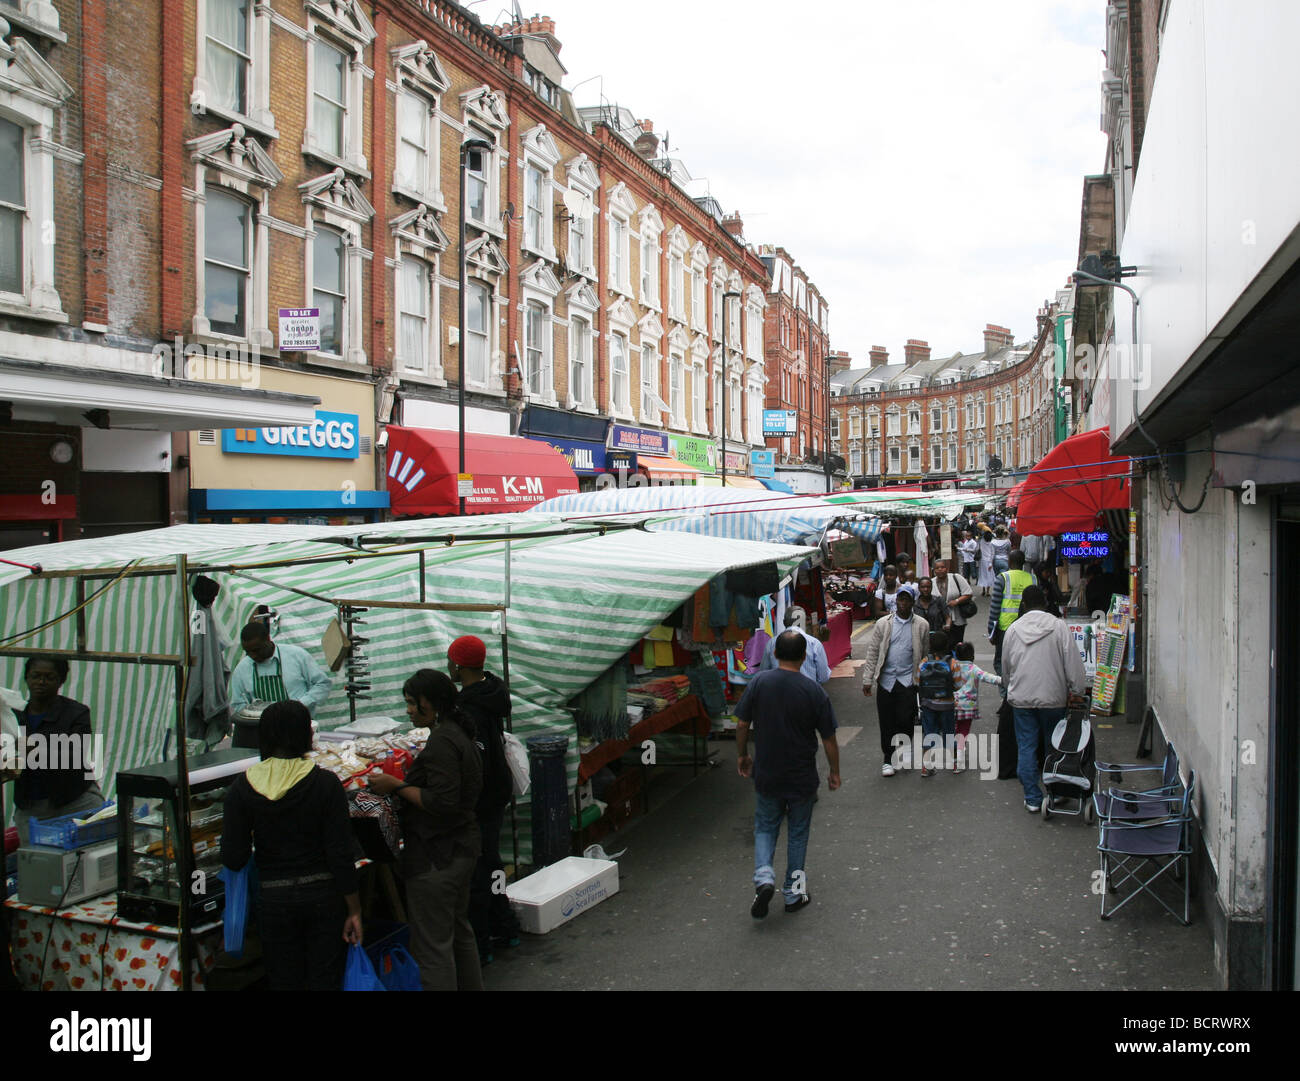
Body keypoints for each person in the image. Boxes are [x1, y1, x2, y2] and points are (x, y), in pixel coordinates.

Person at [220, 700, 362, 991]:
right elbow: (340, 854)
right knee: (324, 980)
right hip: (324, 897)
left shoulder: (242, 787)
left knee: (284, 981)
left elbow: (233, 857)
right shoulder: (326, 783)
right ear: (305, 736)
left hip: (273, 901)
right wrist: (355, 910)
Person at [368, 669, 482, 991]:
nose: (408, 711)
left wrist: (396, 784)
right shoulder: (454, 732)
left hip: (438, 854)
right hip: (459, 850)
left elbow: (443, 801)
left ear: (429, 702)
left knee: (433, 946)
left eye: (411, 703)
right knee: (458, 932)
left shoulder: (444, 740)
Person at [735, 630, 840, 917]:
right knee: (797, 832)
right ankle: (793, 894)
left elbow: (742, 723)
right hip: (801, 775)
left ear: (775, 654)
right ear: (805, 656)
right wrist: (834, 772)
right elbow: (829, 738)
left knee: (766, 825)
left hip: (767, 771)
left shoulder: (759, 683)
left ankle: (764, 876)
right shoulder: (814, 691)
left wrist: (743, 754)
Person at [447, 635, 522, 966]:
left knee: (480, 868)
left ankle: (481, 943)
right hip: (497, 789)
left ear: (460, 666)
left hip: (484, 795)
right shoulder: (493, 690)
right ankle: (504, 927)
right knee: (490, 861)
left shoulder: (469, 708)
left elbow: (475, 761)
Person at [1001, 585, 1088, 813]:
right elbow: (1072, 662)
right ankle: (1056, 791)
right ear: (1046, 601)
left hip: (1021, 698)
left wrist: (1008, 686)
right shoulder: (1059, 627)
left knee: (1026, 746)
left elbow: (1006, 666)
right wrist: (1078, 691)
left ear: (1024, 604)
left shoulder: (1013, 629)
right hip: (1053, 698)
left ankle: (1032, 797)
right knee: (1054, 747)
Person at [6, 656, 104, 844]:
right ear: (26, 678)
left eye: (49, 677)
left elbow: (74, 757)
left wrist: (35, 749)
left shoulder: (77, 713)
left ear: (61, 681)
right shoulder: (14, 715)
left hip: (75, 800)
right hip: (31, 807)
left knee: (91, 854)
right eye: (36, 676)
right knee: (38, 861)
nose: (41, 682)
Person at [861, 588, 930, 776]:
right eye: (900, 599)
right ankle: (888, 759)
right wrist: (867, 679)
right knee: (887, 721)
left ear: (912, 602)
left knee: (906, 719)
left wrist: (922, 681)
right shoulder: (883, 624)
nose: (903, 603)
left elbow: (925, 654)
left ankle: (905, 751)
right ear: (896, 602)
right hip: (886, 680)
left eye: (907, 599)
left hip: (908, 680)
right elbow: (873, 652)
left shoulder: (922, 625)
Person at [229, 622, 333, 718]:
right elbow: (237, 704)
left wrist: (300, 705)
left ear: (268, 639)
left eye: (256, 650)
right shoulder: (241, 669)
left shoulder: (296, 655)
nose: (253, 655)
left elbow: (322, 684)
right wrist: (250, 713)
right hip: (262, 729)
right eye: (248, 652)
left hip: (298, 724)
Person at [952, 641, 1001, 771]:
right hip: (968, 706)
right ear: (972, 656)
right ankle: (959, 760)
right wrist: (1003, 680)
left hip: (952, 705)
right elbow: (987, 677)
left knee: (954, 729)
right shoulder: (973, 669)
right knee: (963, 731)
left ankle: (955, 752)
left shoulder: (952, 667)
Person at [917, 631, 960, 777]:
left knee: (929, 734)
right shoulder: (952, 663)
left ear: (930, 646)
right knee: (949, 733)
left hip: (928, 704)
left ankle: (926, 767)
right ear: (947, 645)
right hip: (947, 705)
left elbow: (917, 681)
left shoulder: (924, 662)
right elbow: (959, 684)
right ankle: (955, 764)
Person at [987, 549, 1034, 677]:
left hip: (1005, 627)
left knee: (1001, 660)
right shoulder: (1033, 579)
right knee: (1023, 659)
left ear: (1009, 561)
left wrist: (991, 631)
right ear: (1023, 562)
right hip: (1028, 627)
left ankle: (1006, 690)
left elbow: (995, 607)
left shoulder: (1002, 578)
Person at [758, 606, 831, 684]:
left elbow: (763, 672)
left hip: (778, 693)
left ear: (784, 622)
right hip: (807, 692)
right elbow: (824, 677)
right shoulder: (814, 644)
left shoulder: (771, 643)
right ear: (804, 622)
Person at [932, 559, 974, 644]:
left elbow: (968, 593)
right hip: (939, 621)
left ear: (947, 568)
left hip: (957, 619)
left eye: (942, 567)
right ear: (934, 570)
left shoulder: (956, 578)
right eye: (937, 568)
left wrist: (957, 601)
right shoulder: (931, 582)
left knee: (956, 643)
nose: (940, 569)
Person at [914, 577, 950, 644]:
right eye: (923, 587)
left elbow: (947, 617)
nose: (926, 589)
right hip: (921, 640)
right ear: (919, 588)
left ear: (931, 587)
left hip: (938, 638)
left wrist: (947, 625)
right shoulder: (914, 605)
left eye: (928, 587)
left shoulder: (939, 601)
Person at [977, 528, 996, 596]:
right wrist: (991, 563)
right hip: (989, 562)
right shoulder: (992, 543)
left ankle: (983, 590)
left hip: (982, 561)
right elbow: (992, 554)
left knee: (983, 576)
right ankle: (988, 591)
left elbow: (979, 537)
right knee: (989, 576)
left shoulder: (981, 541)